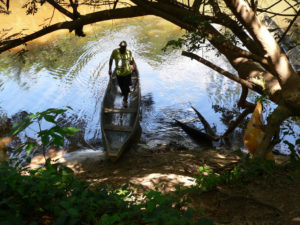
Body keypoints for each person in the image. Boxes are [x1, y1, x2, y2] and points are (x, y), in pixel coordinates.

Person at [108, 41, 136, 108]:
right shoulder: (115, 51)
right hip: (119, 73)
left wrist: (134, 67)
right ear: (120, 46)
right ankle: (126, 92)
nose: (123, 48)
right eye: (122, 47)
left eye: (124, 47)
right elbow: (111, 60)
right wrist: (110, 69)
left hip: (127, 73)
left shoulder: (128, 52)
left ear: (126, 47)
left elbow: (132, 60)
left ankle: (125, 100)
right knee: (121, 87)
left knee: (125, 87)